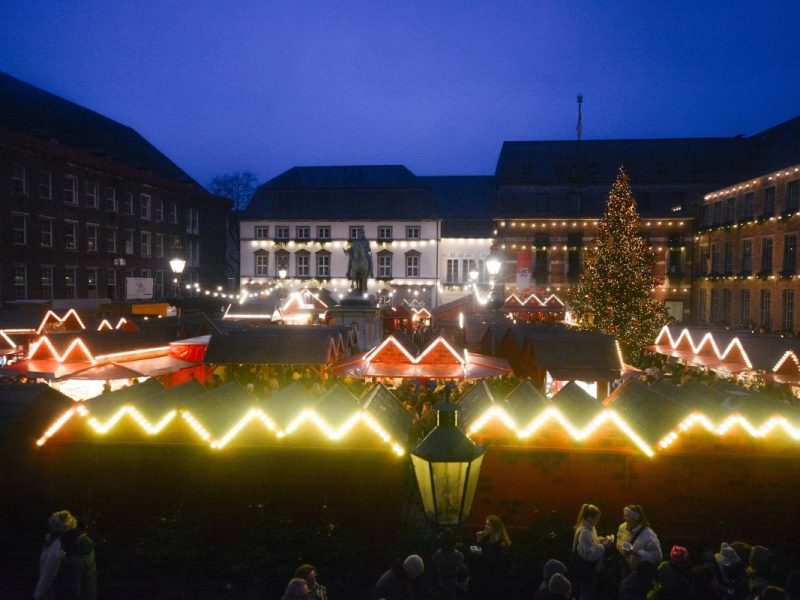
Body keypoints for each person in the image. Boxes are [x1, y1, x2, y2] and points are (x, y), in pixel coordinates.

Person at [571, 504, 612, 600]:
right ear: (589, 517)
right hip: (587, 570)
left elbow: (589, 544)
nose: (598, 521)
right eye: (597, 518)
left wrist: (599, 540)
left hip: (588, 570)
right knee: (587, 593)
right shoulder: (585, 532)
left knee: (588, 591)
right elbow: (588, 554)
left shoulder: (590, 527)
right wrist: (604, 546)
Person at [34, 510, 76, 600]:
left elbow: (47, 577)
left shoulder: (56, 550)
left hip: (51, 594)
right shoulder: (52, 541)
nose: (49, 528)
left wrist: (37, 596)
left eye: (51, 526)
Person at [470, 515, 512, 598]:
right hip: (485, 576)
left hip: (492, 578)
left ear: (494, 527)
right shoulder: (487, 539)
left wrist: (478, 544)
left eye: (488, 525)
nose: (485, 527)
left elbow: (484, 556)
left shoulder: (500, 544)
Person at [615, 504, 662, 578]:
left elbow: (657, 557)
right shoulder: (622, 528)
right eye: (624, 515)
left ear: (636, 518)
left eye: (627, 517)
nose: (624, 518)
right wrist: (622, 548)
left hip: (640, 574)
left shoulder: (648, 535)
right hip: (624, 567)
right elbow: (618, 541)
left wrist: (637, 553)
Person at [54, 522, 97, 600]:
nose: (61, 546)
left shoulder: (72, 562)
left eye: (63, 544)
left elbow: (72, 590)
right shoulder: (87, 547)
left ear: (70, 545)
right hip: (90, 593)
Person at [431, 529, 464, 600]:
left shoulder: (438, 554)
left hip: (442, 578)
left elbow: (434, 561)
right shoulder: (458, 555)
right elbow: (461, 562)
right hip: (453, 578)